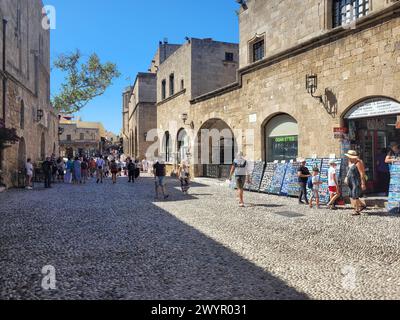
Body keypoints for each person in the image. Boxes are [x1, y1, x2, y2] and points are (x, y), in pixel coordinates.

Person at [345, 150, 367, 216]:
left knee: (355, 196)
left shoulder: (358, 162)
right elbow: (349, 171)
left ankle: (356, 210)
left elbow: (362, 173)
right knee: (352, 195)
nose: (348, 158)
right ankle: (363, 205)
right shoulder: (349, 162)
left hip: (356, 181)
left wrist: (363, 183)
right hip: (351, 181)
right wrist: (346, 177)